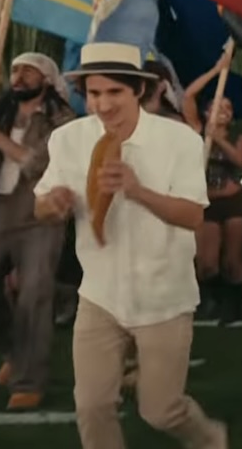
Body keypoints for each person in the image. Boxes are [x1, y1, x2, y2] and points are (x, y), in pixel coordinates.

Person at [33, 42, 225, 448]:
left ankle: (208, 438)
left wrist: (138, 192)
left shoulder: (179, 142)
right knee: (91, 405)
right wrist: (53, 205)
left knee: (160, 410)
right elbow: (42, 205)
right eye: (94, 93)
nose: (102, 104)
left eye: (114, 92)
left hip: (164, 297)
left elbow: (193, 216)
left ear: (139, 90)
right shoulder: (67, 139)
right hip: (100, 295)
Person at [0, 30, 74, 410]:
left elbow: (34, 161)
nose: (18, 76)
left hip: (41, 212)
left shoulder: (62, 118)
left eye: (28, 71)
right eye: (15, 70)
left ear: (47, 80)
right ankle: (13, 352)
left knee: (35, 294)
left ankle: (28, 382)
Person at [181, 53, 242, 324]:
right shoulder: (197, 131)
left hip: (233, 201)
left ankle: (234, 308)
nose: (222, 111)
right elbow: (187, 96)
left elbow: (239, 160)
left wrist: (218, 140)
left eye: (227, 108)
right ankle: (210, 301)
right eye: (216, 107)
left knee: (233, 261)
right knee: (207, 262)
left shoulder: (238, 136)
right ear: (206, 112)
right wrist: (215, 70)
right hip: (206, 200)